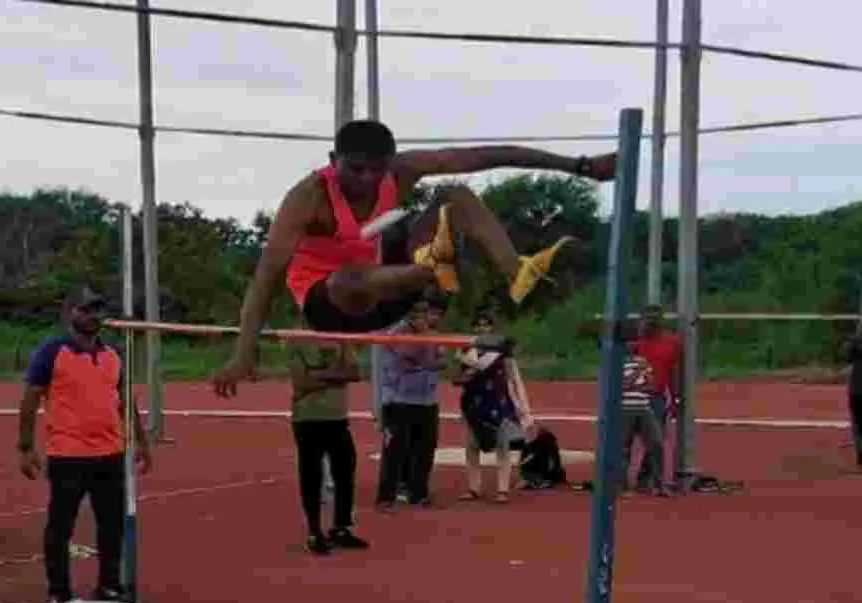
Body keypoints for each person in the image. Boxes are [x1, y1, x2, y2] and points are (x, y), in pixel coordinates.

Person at [212, 119, 617, 397]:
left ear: (390, 164)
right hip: (333, 304)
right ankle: (428, 267)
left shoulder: (402, 171)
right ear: (334, 161)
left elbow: (488, 155)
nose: (367, 180)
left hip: (390, 289)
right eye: (355, 170)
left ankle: (516, 272)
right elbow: (266, 277)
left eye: (377, 171)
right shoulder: (308, 199)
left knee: (455, 196)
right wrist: (243, 353)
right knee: (349, 277)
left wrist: (580, 166)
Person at [19, 286, 151, 603]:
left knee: (111, 525)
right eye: (86, 309)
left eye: (97, 310)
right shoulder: (52, 351)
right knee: (61, 526)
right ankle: (59, 590)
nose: (93, 316)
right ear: (70, 313)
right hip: (68, 455)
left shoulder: (113, 354)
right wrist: (25, 447)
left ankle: (108, 585)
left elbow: (125, 400)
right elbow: (30, 399)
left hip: (110, 453)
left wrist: (142, 441)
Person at [288, 335, 368, 554]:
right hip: (308, 418)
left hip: (337, 418)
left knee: (345, 471)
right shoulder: (298, 340)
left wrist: (319, 375)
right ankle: (314, 532)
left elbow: (355, 373)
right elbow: (301, 383)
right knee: (311, 476)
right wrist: (337, 376)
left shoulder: (340, 339)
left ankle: (341, 527)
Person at [376, 291, 447, 511]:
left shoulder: (432, 334)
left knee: (425, 448)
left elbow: (442, 362)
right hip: (399, 399)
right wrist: (428, 349)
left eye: (425, 311)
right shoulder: (398, 333)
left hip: (427, 400)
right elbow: (420, 358)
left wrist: (430, 354)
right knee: (395, 450)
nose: (423, 316)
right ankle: (386, 497)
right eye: (417, 311)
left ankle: (419, 493)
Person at [454, 310, 533, 504]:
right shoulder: (466, 349)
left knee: (502, 444)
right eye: (478, 325)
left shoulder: (501, 349)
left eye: (486, 324)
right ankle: (473, 488)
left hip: (497, 401)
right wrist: (463, 375)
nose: (482, 328)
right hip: (473, 402)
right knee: (472, 445)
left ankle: (502, 489)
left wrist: (522, 405)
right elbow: (458, 377)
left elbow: (513, 377)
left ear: (492, 328)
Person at [630, 304, 682, 486]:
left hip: (655, 397)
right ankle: (617, 479)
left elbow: (674, 372)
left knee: (655, 441)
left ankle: (645, 478)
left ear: (662, 320)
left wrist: (675, 397)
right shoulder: (632, 342)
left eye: (655, 318)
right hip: (629, 397)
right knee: (623, 440)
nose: (651, 322)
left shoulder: (672, 342)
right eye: (647, 318)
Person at [621, 345, 666, 497]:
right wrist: (637, 374)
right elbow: (622, 385)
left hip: (644, 407)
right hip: (624, 408)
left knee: (656, 443)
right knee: (623, 448)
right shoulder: (616, 362)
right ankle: (622, 485)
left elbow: (651, 387)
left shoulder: (643, 361)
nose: (633, 344)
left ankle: (658, 485)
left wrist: (635, 381)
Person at [848, 328, 862, 469]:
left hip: (856, 389)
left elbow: (849, 356)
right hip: (856, 389)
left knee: (857, 425)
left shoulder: (855, 343)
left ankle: (860, 454)